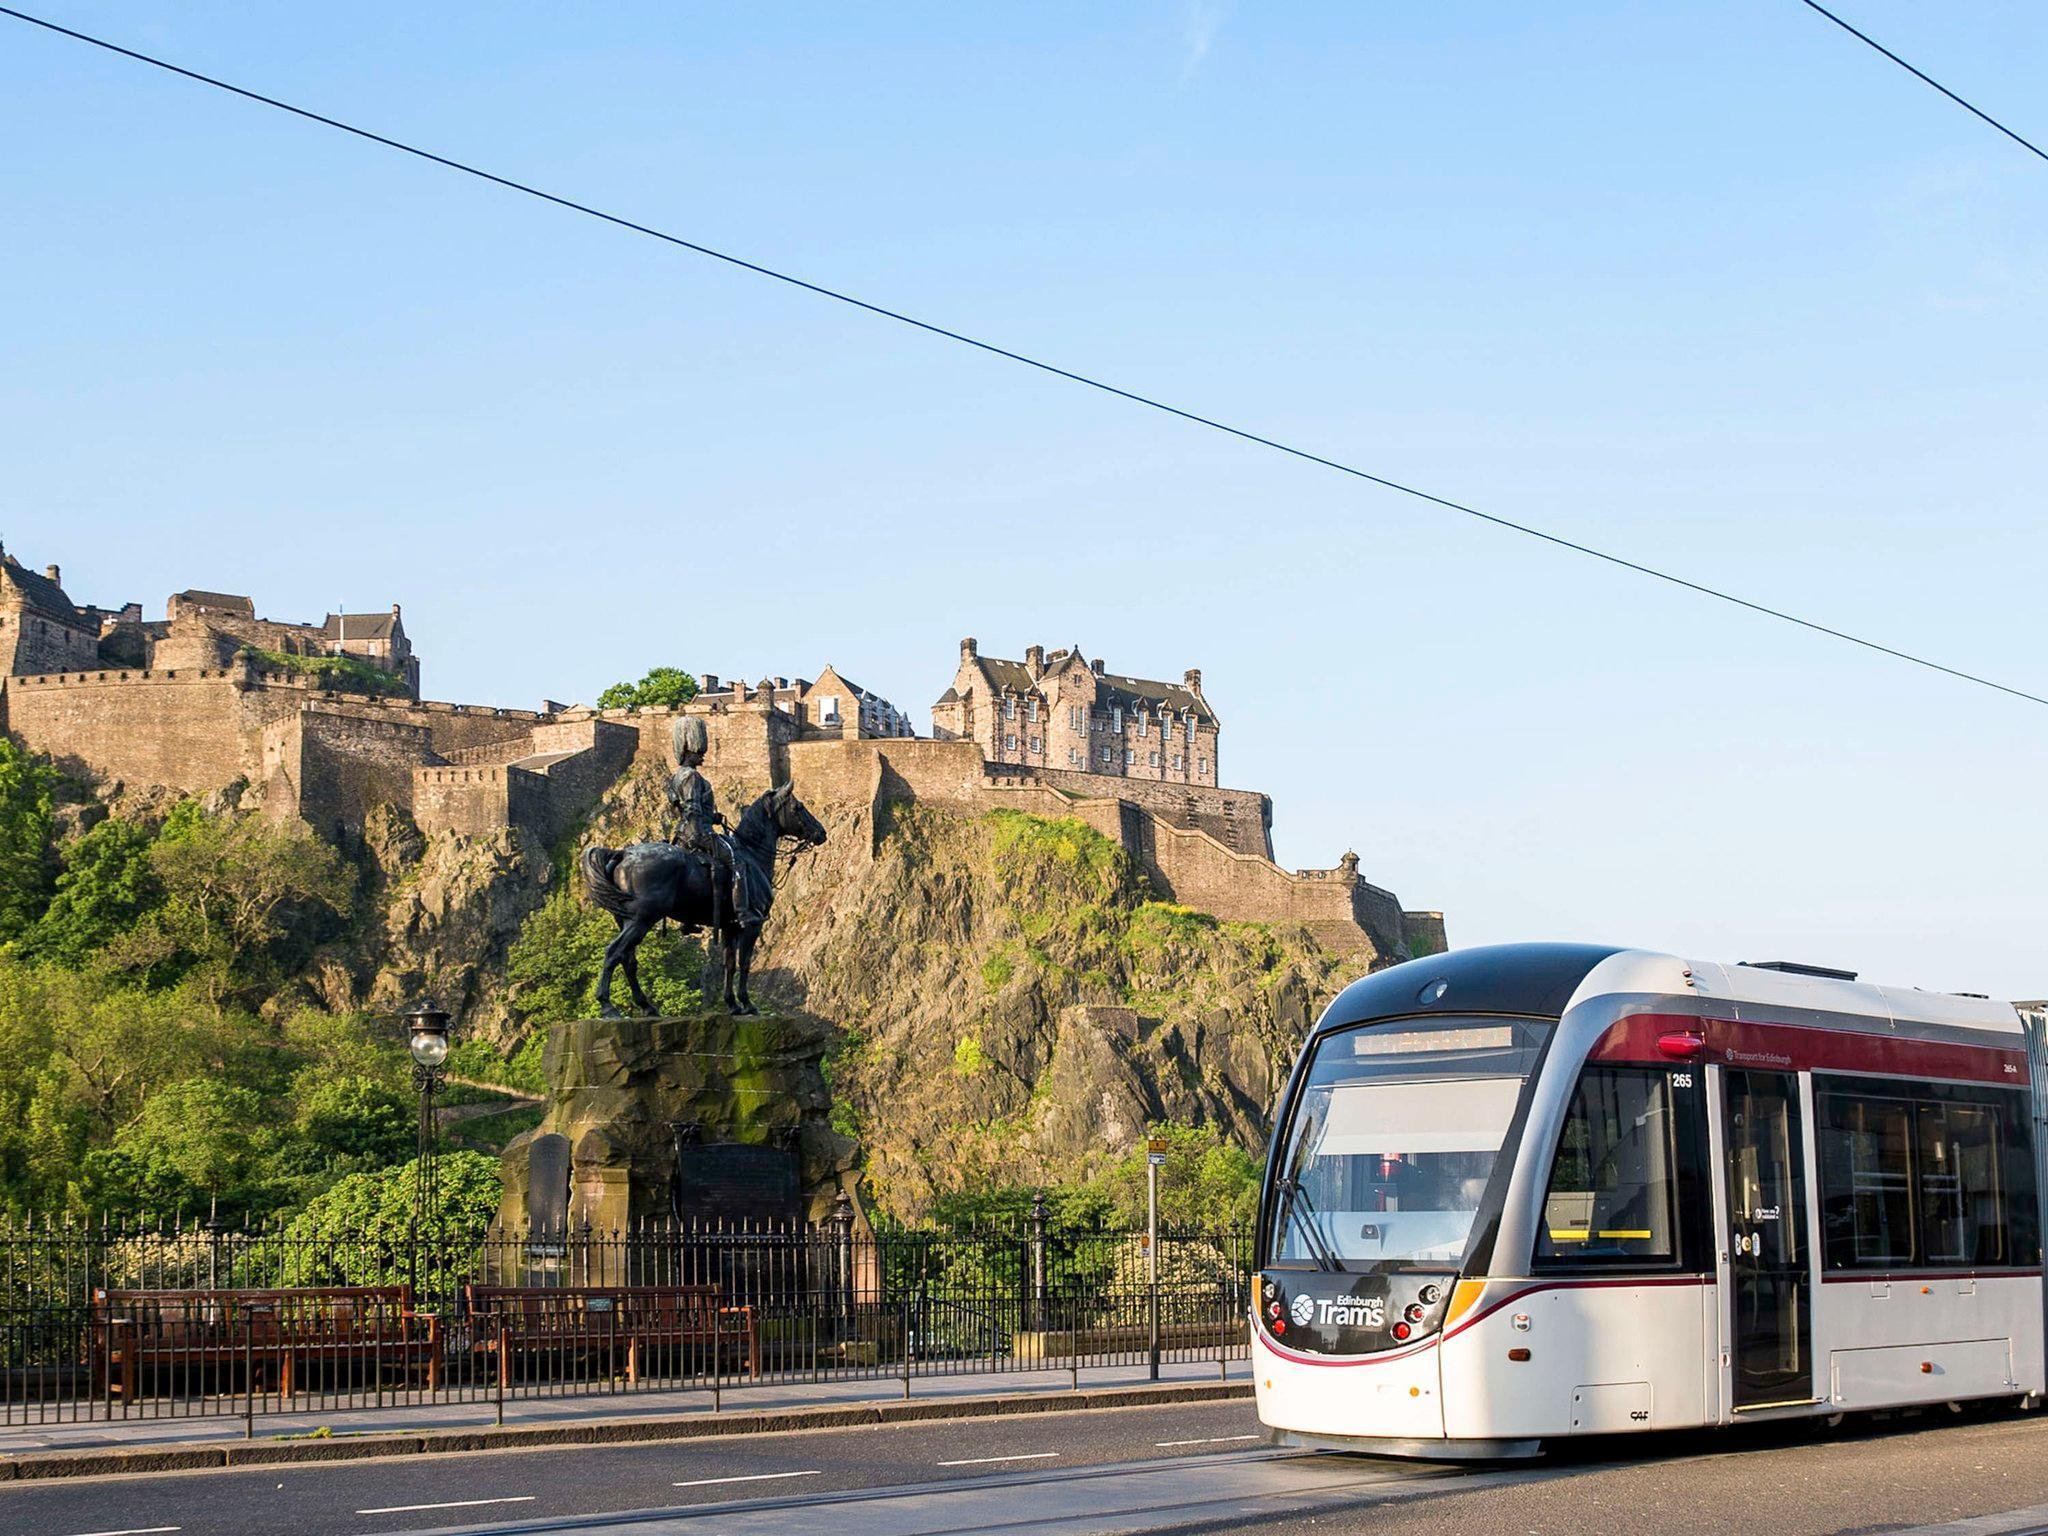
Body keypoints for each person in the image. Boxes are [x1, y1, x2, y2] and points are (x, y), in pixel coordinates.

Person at [665, 716, 733, 927]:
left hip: (681, 834)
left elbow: (684, 808)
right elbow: (692, 809)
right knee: (736, 860)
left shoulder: (676, 776)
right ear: (688, 749)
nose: (703, 755)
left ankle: (690, 915)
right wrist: (703, 832)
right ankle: (740, 911)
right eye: (699, 751)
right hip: (697, 833)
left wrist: (713, 817)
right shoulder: (692, 776)